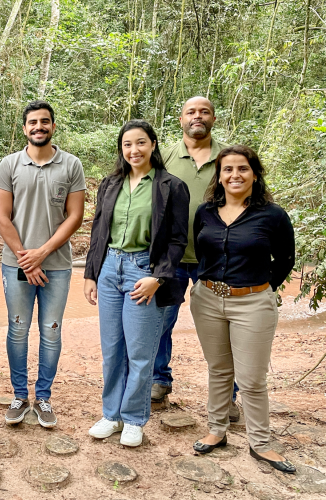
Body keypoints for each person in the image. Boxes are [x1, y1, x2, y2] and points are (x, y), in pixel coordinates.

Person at [189, 145, 295, 473]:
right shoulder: (205, 212)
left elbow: (286, 259)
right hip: (207, 300)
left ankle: (260, 443)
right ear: (219, 176)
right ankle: (216, 430)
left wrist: (258, 289)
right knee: (219, 370)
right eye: (228, 170)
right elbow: (201, 251)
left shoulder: (273, 215)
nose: (235, 175)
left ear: (254, 173)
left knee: (251, 379)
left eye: (243, 169)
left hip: (253, 303)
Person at [84, 120, 189, 447]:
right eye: (127, 144)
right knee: (112, 350)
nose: (134, 150)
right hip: (110, 268)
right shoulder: (110, 184)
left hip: (144, 270)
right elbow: (98, 230)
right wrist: (91, 273)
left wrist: (157, 278)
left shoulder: (172, 186)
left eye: (140, 143)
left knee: (140, 352)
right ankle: (111, 415)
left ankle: (133, 419)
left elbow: (177, 240)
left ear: (153, 145)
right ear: (122, 148)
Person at [0, 100, 86, 428]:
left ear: (53, 126)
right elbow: (2, 216)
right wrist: (25, 258)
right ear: (24, 128)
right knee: (17, 329)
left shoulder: (71, 165)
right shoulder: (10, 164)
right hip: (16, 263)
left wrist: (41, 253)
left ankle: (43, 397)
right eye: (32, 122)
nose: (39, 127)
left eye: (45, 122)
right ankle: (20, 396)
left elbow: (75, 216)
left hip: (57, 265)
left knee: (51, 331)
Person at [153, 97, 239, 421]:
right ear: (181, 119)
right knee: (161, 322)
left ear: (214, 118)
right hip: (170, 256)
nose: (197, 117)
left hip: (217, 258)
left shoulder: (228, 158)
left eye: (204, 112)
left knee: (222, 328)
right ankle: (159, 382)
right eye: (191, 112)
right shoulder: (164, 156)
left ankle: (227, 397)